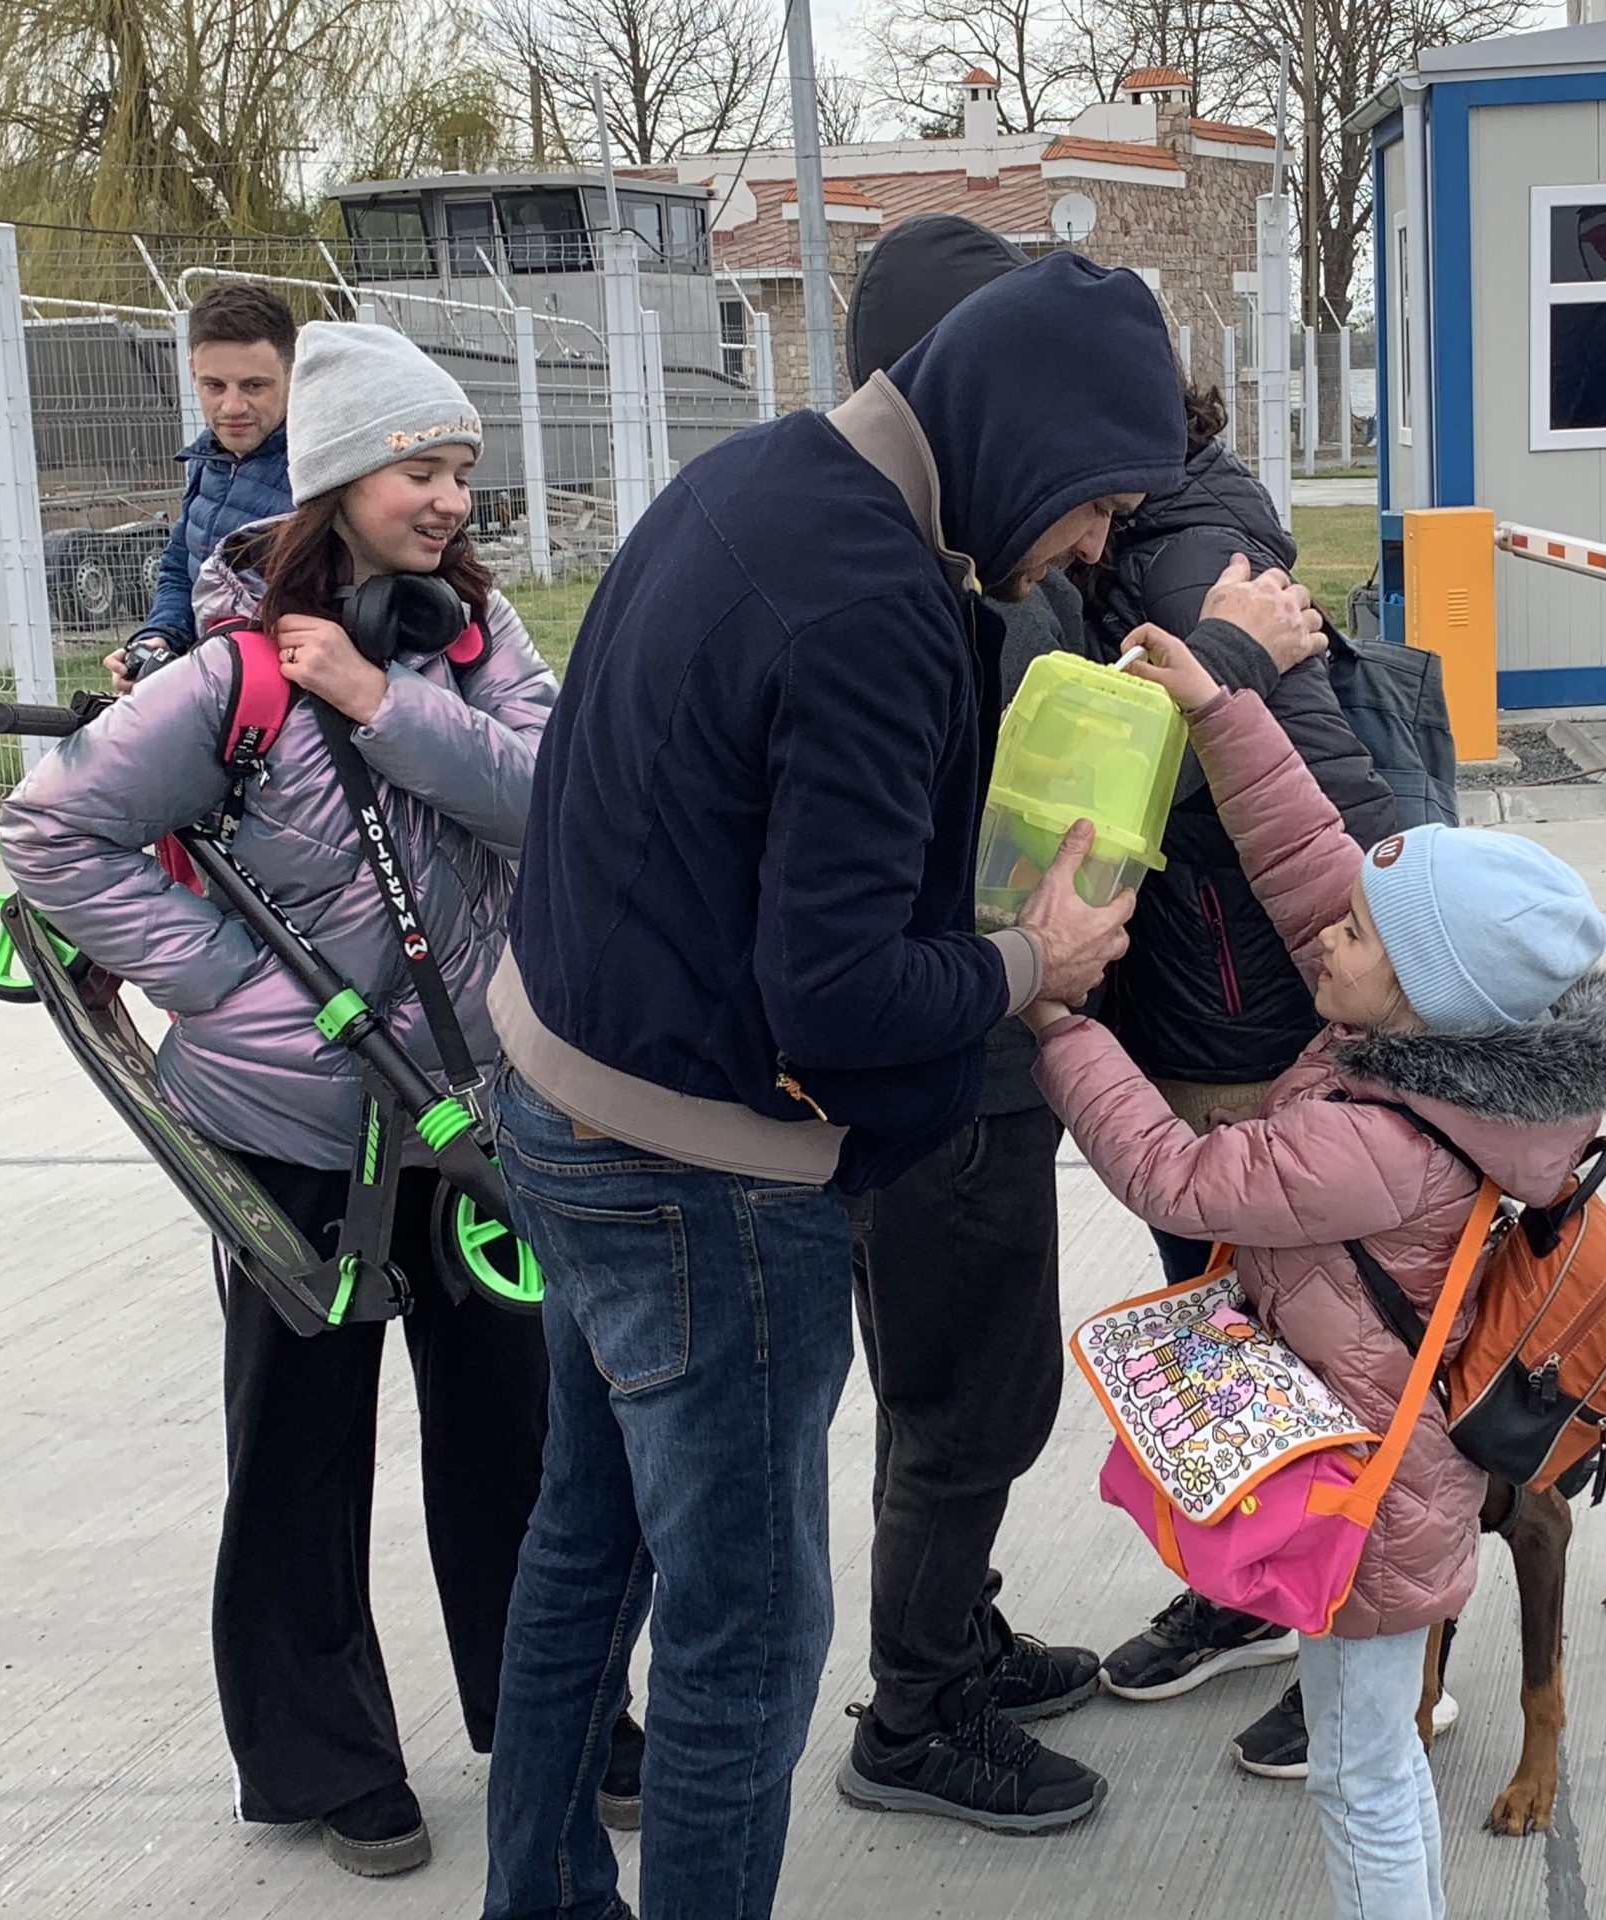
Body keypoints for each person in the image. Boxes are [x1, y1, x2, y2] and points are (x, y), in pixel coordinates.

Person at [478, 254, 1186, 1920]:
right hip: (696, 1181)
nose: (1093, 547)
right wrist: (1036, 962)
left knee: (585, 1556)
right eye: (1097, 504)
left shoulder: (755, 473)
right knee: (745, 1651)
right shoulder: (875, 602)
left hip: (558, 1098)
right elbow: (845, 994)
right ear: (1031, 438)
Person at [0, 321, 613, 1879]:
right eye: (422, 468)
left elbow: (556, 794)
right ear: (339, 484)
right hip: (290, 1133)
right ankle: (321, 1759)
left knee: (518, 1433)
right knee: (298, 1446)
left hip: (474, 1109)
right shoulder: (229, 678)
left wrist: (387, 696)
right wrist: (233, 989)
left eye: (463, 470)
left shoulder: (480, 644)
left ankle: (549, 1713)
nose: (451, 499)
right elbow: (50, 835)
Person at [1021, 626, 1606, 1920]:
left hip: (1366, 1505)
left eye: (1355, 938)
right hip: (1388, 1462)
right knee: (1373, 1762)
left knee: (1362, 1775)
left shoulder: (1376, 1141)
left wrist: (1057, 1021)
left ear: (1419, 991)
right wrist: (1219, 709)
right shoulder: (1436, 1043)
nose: (1323, 942)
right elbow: (1317, 868)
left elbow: (1179, 1182)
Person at [832, 215, 1333, 1834]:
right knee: (965, 1400)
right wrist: (1234, 665)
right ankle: (916, 1714)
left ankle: (954, 1637)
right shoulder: (955, 571)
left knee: (965, 1385)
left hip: (993, 1040)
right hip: (960, 1049)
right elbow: (1055, 782)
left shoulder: (942, 545)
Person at [1081, 389, 1404, 1759]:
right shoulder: (1114, 542)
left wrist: (1407, 973)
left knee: (1334, 1348)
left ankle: (1390, 1646)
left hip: (1261, 1027)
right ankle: (1255, 1589)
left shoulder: (1192, 548)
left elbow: (1328, 783)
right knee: (1228, 1335)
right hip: (1185, 1016)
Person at [103, 282, 296, 690]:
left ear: (293, 374)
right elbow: (180, 567)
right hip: (209, 692)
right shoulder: (208, 461)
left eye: (254, 386)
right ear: (192, 372)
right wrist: (159, 640)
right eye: (214, 386)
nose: (232, 407)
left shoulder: (321, 473)